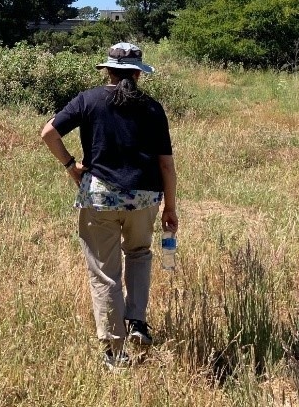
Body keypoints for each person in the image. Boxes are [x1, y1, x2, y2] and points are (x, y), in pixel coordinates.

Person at [40, 42, 178, 370]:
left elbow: (48, 133)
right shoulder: (153, 108)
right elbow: (167, 166)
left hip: (99, 196)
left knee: (105, 271)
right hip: (144, 198)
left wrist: (71, 165)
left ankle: (115, 352)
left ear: (107, 70)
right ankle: (138, 323)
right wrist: (170, 207)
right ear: (138, 73)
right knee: (140, 255)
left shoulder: (88, 100)